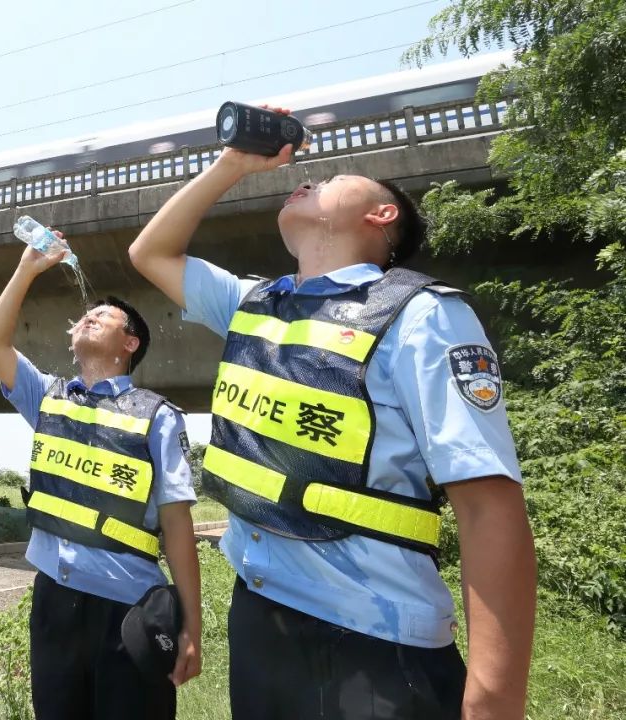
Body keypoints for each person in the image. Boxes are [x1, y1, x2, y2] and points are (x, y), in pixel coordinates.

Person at [128, 108, 536, 720]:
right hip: (260, 618)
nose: (308, 181)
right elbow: (150, 250)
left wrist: (495, 698)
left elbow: (487, 503)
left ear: (382, 214)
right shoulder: (256, 302)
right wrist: (233, 162)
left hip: (373, 642)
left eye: (331, 181)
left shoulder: (421, 315)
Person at [0, 238, 202, 720]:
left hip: (130, 610)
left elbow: (178, 522)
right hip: (54, 603)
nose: (90, 316)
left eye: (106, 316)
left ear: (130, 343)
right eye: (86, 314)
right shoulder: (49, 398)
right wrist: (26, 269)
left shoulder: (157, 416)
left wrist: (191, 625)